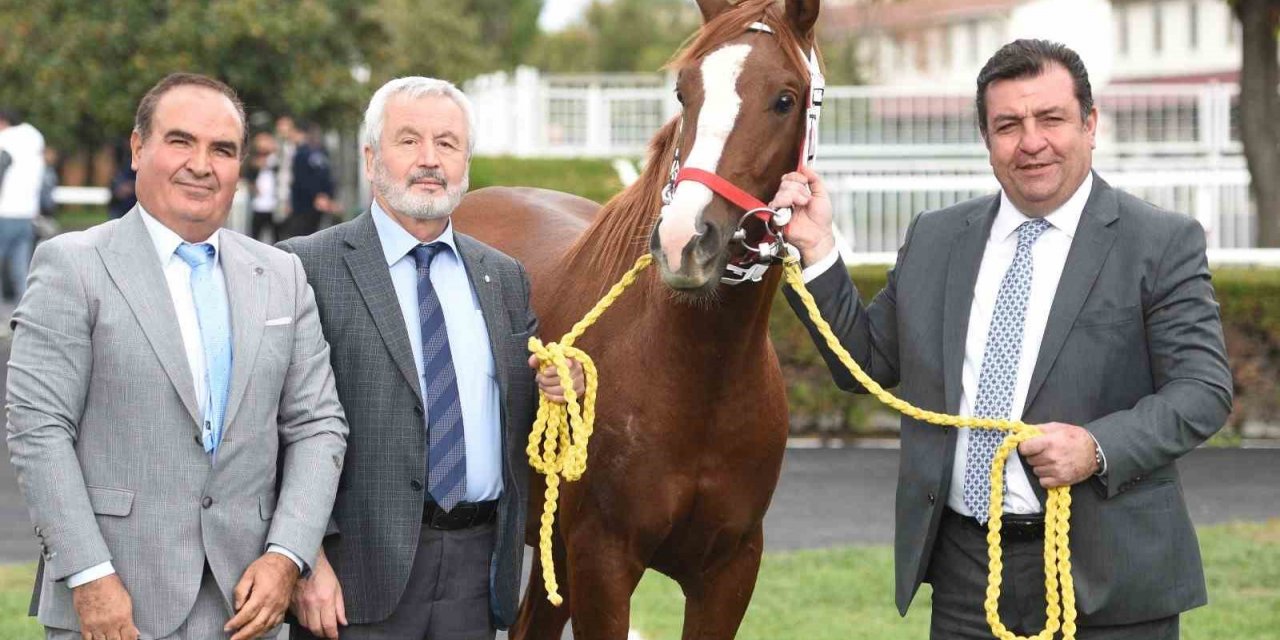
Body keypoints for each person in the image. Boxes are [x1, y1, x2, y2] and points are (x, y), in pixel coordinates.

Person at [772, 40, 1232, 639]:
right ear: (987, 140)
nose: (1031, 142)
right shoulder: (937, 239)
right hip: (966, 569)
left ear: (1090, 125)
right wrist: (817, 249)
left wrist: (1097, 446)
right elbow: (865, 360)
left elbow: (1203, 390)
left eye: (1051, 119)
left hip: (1108, 573)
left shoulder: (1160, 242)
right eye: (1008, 125)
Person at [6, 72, 349, 640]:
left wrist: (288, 555)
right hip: (116, 606)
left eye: (223, 150)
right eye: (180, 141)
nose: (201, 164)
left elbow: (318, 424)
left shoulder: (283, 275)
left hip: (249, 605)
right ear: (138, 149)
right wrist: (90, 577)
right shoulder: (73, 266)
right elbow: (39, 430)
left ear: (241, 168)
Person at [280, 76, 582, 640]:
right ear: (371, 159)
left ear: (466, 162)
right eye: (408, 140)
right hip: (350, 579)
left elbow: (528, 405)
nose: (429, 160)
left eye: (447, 143)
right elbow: (272, 428)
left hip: (475, 571)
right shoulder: (304, 267)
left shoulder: (505, 277)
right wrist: (304, 559)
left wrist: (568, 388)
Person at [0, 107, 46, 301]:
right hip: (27, 213)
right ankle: (23, 320)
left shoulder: (6, 140)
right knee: (21, 268)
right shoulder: (35, 138)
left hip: (4, 212)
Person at [277, 122, 334, 240]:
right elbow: (327, 176)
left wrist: (316, 196)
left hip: (303, 204)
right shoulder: (320, 151)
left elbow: (302, 180)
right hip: (317, 203)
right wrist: (326, 196)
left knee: (299, 238)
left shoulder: (301, 154)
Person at [246, 130, 281, 242]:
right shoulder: (253, 160)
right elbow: (249, 176)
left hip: (274, 204)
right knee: (254, 236)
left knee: (276, 237)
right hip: (258, 205)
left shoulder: (276, 159)